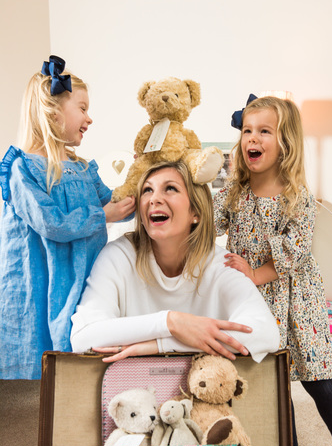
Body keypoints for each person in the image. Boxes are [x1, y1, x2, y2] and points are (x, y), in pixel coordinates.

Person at [213, 95, 332, 446]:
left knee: (320, 382)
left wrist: (255, 272)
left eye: (265, 131)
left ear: (286, 143)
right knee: (270, 380)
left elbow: (294, 252)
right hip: (253, 303)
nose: (253, 137)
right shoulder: (233, 193)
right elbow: (206, 223)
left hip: (297, 301)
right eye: (248, 130)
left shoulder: (298, 198)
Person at [0, 56, 135, 380]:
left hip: (81, 276)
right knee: (35, 354)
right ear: (53, 112)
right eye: (83, 108)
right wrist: (104, 215)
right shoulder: (24, 169)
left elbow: (116, 202)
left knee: (82, 350)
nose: (90, 118)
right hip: (39, 277)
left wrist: (146, 180)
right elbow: (51, 222)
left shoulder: (84, 168)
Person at [70, 160, 280, 365]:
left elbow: (265, 333)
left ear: (195, 212)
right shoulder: (118, 256)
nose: (154, 199)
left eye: (170, 188)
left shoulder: (219, 263)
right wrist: (171, 322)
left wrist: (161, 344)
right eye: (147, 190)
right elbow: (83, 337)